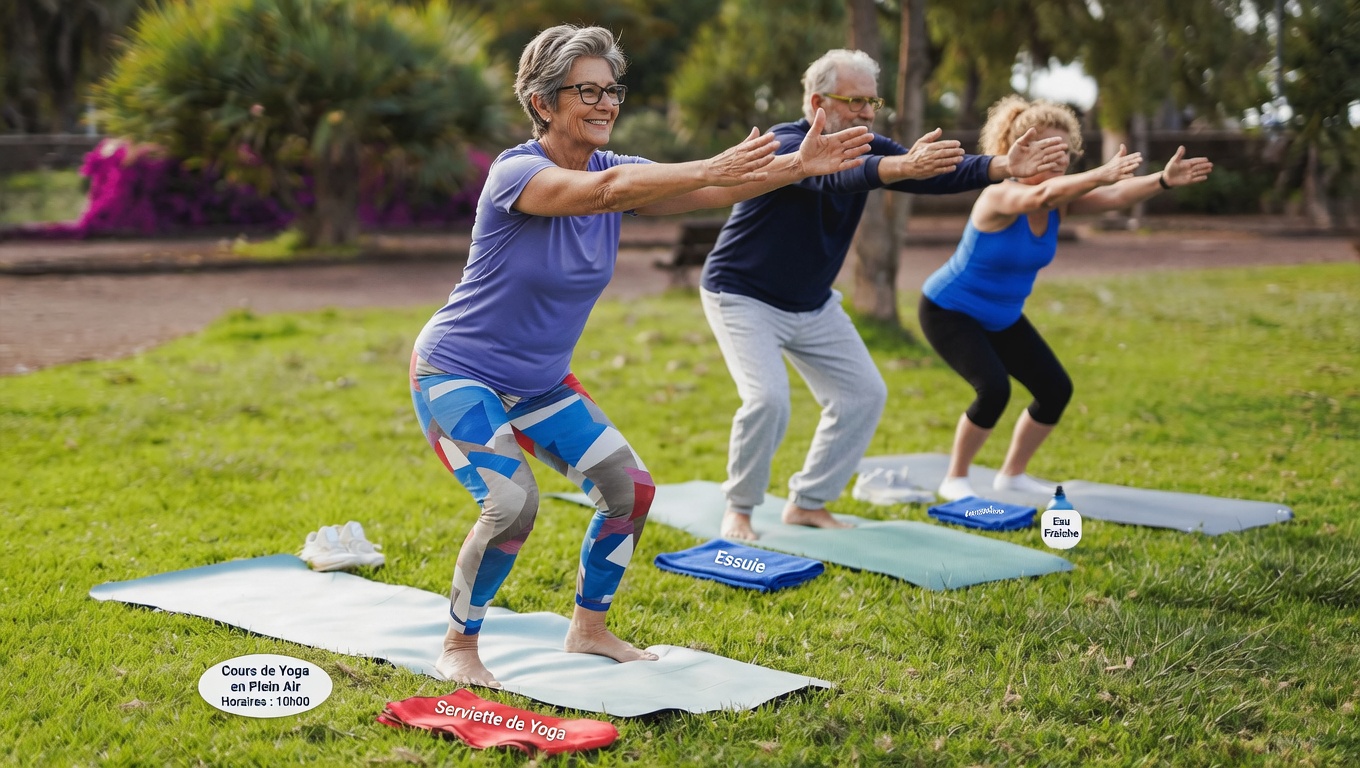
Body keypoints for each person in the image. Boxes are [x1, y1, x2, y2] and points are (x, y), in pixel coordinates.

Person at [409, 25, 874, 689]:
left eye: (611, 90)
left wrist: (798, 166)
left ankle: (589, 629)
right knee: (511, 506)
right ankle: (460, 642)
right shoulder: (518, 173)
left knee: (630, 491)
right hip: (456, 372)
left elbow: (703, 192)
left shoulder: (612, 169)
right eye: (586, 92)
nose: (604, 104)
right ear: (542, 103)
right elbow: (609, 193)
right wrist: (711, 165)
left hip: (539, 384)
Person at [701, 49, 1070, 541]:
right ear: (817, 102)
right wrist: (901, 168)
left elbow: (935, 171)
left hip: (810, 302)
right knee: (768, 400)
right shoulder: (785, 143)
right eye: (854, 101)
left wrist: (1002, 164)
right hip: (742, 295)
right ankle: (740, 510)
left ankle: (808, 503)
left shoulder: (866, 142)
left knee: (863, 395)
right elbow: (835, 176)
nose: (868, 112)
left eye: (871, 101)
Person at [920, 95, 1214, 501]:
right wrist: (1100, 174)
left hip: (1002, 316)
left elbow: (1113, 198)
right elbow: (1037, 197)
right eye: (1047, 148)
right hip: (949, 310)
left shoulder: (1064, 202)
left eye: (1064, 150)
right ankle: (955, 477)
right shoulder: (999, 196)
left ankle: (1012, 475)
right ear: (1018, 150)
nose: (1057, 158)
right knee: (993, 388)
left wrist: (1162, 180)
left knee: (1055, 389)